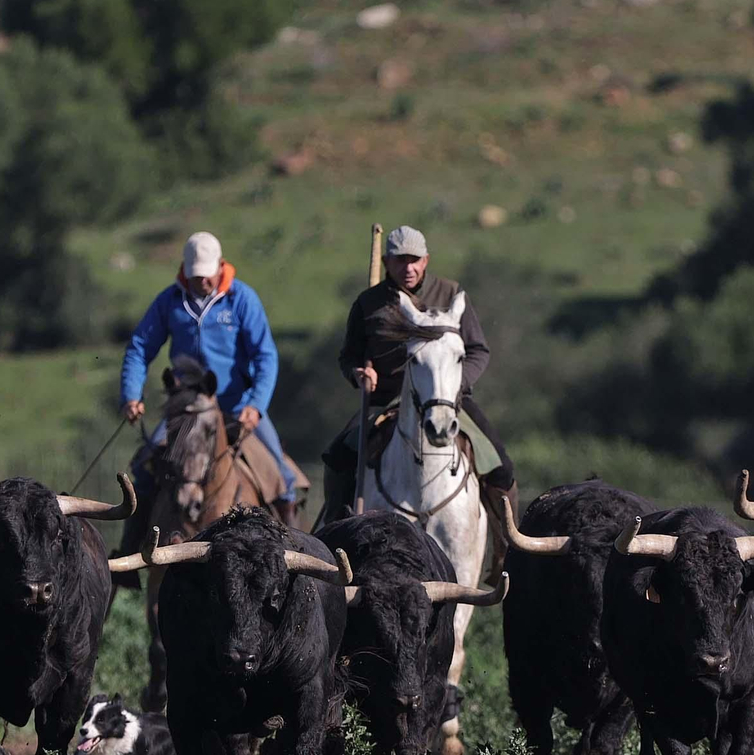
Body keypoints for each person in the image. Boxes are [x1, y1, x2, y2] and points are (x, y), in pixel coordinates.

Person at [114, 231, 299, 561]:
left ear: (220, 267)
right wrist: (131, 395)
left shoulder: (242, 299)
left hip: (237, 405)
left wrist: (256, 406)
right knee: (145, 467)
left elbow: (265, 356)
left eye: (207, 274)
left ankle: (295, 552)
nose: (202, 281)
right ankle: (132, 551)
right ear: (186, 270)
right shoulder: (169, 301)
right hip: (187, 410)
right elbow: (140, 348)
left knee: (282, 477)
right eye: (195, 275)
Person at [321, 225, 516, 529]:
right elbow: (349, 356)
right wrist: (359, 373)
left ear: (426, 260)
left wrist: (453, 386)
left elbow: (478, 350)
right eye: (399, 260)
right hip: (384, 399)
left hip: (446, 400)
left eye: (414, 260)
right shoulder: (368, 303)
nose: (407, 268)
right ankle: (332, 526)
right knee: (337, 457)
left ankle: (507, 545)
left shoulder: (451, 294)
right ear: (387, 263)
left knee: (500, 466)